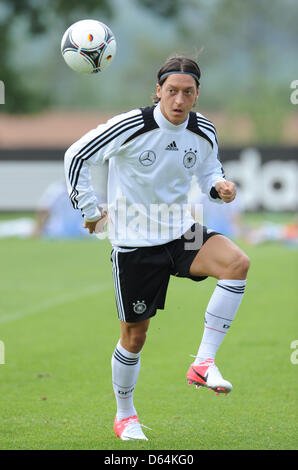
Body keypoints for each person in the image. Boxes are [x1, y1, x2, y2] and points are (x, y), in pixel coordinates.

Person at [64, 56, 250, 441]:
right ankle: (125, 415)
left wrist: (221, 187)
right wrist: (88, 208)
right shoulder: (131, 126)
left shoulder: (203, 131)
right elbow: (76, 155)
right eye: (172, 92)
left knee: (236, 263)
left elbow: (208, 172)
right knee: (135, 338)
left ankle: (203, 363)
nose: (179, 100)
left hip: (181, 233)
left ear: (197, 95)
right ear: (158, 92)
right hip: (135, 245)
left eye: (187, 92)